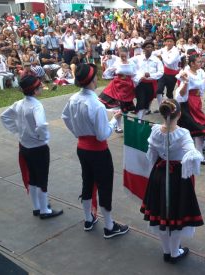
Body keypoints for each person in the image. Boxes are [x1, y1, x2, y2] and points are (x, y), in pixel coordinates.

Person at [61, 63, 129, 238]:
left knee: (87, 182)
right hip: (98, 151)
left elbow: (65, 117)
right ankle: (109, 225)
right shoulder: (96, 105)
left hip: (82, 147)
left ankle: (88, 219)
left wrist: (77, 131)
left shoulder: (74, 98)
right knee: (104, 185)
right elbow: (102, 134)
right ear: (92, 80)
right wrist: (114, 120)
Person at [140, 99, 204, 264]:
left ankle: (167, 250)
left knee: (162, 213)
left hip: (159, 175)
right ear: (180, 114)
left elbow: (151, 155)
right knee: (176, 215)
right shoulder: (183, 133)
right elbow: (192, 151)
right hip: (177, 178)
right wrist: (196, 157)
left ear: (162, 113)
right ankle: (174, 253)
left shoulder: (155, 131)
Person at [0, 75, 63, 219]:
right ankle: (44, 211)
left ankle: (37, 207)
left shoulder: (19, 104)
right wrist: (44, 137)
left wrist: (18, 131)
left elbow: (4, 116)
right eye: (40, 86)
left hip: (24, 146)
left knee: (33, 177)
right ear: (35, 91)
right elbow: (41, 125)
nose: (42, 87)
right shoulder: (36, 105)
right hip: (38, 147)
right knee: (42, 178)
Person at [175, 53, 205, 164]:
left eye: (200, 62)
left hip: (196, 102)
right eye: (198, 62)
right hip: (188, 104)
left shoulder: (200, 72)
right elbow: (182, 88)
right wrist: (185, 81)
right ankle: (198, 154)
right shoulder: (186, 73)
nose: (200, 63)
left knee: (196, 128)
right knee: (198, 128)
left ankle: (196, 152)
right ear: (192, 63)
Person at [98, 47, 137, 133]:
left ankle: (117, 125)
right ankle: (117, 126)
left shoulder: (132, 63)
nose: (123, 58)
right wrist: (107, 69)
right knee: (117, 107)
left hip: (127, 87)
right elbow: (108, 72)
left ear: (127, 54)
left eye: (124, 56)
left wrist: (136, 84)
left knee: (124, 108)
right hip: (117, 85)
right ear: (119, 55)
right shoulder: (117, 63)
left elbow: (135, 74)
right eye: (121, 56)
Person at [132, 40, 164, 119]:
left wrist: (151, 75)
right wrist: (138, 76)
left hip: (151, 84)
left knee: (146, 102)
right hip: (140, 83)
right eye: (147, 47)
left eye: (151, 47)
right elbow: (130, 65)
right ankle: (139, 120)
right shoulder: (138, 58)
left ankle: (141, 118)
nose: (149, 49)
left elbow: (161, 72)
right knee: (141, 101)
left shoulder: (156, 60)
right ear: (143, 49)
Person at [154, 34, 182, 106]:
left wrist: (162, 55)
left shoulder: (176, 51)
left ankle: (171, 107)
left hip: (172, 75)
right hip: (164, 73)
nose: (169, 43)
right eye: (167, 41)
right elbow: (154, 53)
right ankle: (161, 106)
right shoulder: (163, 49)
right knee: (159, 90)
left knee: (169, 93)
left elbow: (169, 62)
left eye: (171, 41)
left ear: (173, 42)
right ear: (165, 42)